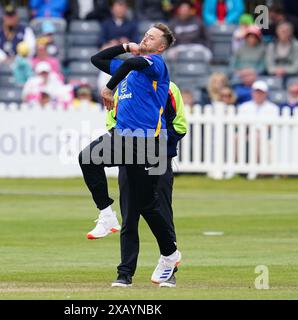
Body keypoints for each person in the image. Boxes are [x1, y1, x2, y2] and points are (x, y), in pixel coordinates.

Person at [79, 23, 181, 286]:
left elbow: (131, 65)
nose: (146, 37)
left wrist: (108, 88)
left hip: (145, 142)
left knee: (147, 205)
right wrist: (125, 47)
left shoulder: (156, 65)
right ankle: (107, 215)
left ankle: (169, 254)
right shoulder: (131, 68)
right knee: (88, 158)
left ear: (161, 47)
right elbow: (98, 59)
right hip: (124, 138)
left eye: (152, 37)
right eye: (145, 34)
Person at [106, 81, 188, 287]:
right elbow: (112, 123)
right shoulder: (124, 88)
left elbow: (179, 125)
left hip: (158, 158)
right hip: (129, 159)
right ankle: (125, 273)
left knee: (162, 213)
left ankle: (169, 271)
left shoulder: (169, 88)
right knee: (129, 215)